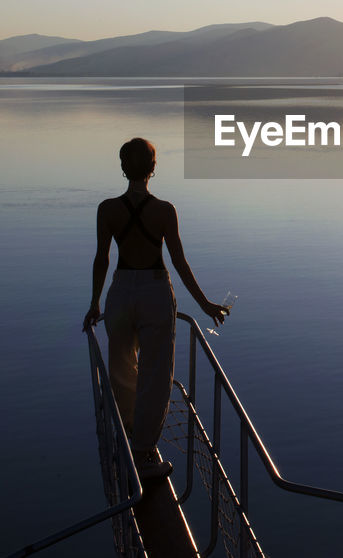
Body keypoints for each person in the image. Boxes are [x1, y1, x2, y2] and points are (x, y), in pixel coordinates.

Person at [83, 137, 229, 479]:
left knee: (121, 366)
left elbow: (102, 257)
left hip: (119, 292)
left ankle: (127, 431)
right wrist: (205, 304)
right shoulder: (165, 211)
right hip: (154, 293)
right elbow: (178, 262)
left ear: (123, 168)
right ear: (153, 168)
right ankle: (145, 453)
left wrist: (94, 302)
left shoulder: (107, 209)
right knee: (156, 374)